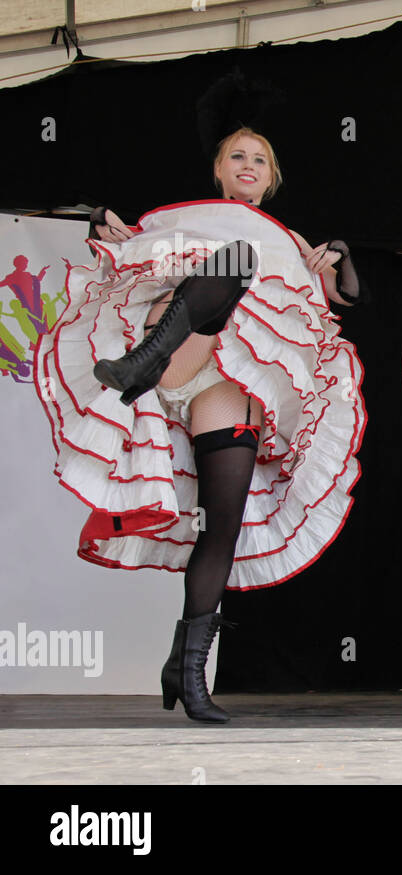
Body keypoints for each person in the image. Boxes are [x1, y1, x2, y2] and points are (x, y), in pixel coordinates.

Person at [35, 127, 365, 723]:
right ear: (218, 170)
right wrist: (101, 227)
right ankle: (144, 361)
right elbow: (123, 253)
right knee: (236, 259)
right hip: (179, 355)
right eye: (237, 155)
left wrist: (335, 259)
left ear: (272, 178)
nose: (248, 165)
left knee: (222, 527)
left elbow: (343, 301)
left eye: (260, 159)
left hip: (227, 387)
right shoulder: (187, 224)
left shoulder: (290, 243)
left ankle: (186, 670)